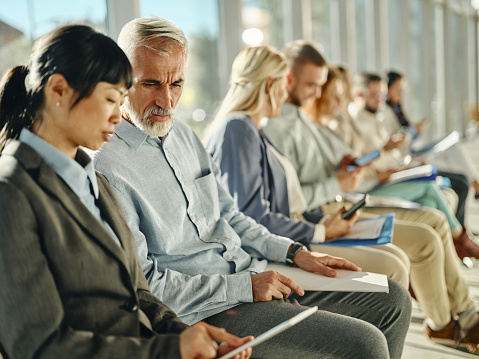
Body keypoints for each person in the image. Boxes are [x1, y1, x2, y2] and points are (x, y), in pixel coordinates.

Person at [93, 17, 412, 359]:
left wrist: (293, 251)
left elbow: (232, 215)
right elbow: (147, 285)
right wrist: (244, 286)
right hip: (207, 310)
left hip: (253, 273)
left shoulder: (184, 136)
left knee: (392, 299)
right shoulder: (107, 168)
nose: (167, 102)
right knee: (364, 345)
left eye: (177, 84)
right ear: (122, 79)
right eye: (151, 83)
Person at [0, 24, 253, 359]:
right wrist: (170, 349)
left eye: (121, 100)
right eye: (109, 100)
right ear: (58, 90)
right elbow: (39, 346)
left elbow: (138, 291)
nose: (117, 116)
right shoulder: (11, 193)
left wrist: (192, 338)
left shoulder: (93, 180)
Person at [263, 51, 479, 354]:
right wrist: (339, 180)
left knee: (434, 221)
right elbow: (294, 201)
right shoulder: (281, 128)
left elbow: (320, 179)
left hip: (340, 202)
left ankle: (463, 314)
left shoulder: (303, 124)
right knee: (423, 238)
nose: (337, 101)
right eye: (326, 91)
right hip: (328, 211)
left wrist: (345, 170)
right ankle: (445, 322)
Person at [205, 45, 410, 287]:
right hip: (271, 252)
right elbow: (254, 217)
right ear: (271, 86)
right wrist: (320, 232)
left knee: (396, 259)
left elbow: (282, 204)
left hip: (288, 237)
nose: (285, 94)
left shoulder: (253, 130)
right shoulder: (239, 129)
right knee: (393, 268)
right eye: (284, 84)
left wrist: (323, 224)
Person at [354, 72, 479, 260]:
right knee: (431, 189)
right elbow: (360, 164)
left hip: (393, 172)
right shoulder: (357, 123)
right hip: (374, 186)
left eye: (382, 95)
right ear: (360, 94)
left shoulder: (377, 117)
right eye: (375, 95)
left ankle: (452, 256)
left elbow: (388, 155)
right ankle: (462, 241)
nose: (380, 100)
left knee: (431, 206)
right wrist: (387, 152)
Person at [383, 71, 479, 230]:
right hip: (408, 161)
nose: (402, 93)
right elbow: (392, 148)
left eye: (403, 89)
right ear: (388, 89)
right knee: (460, 182)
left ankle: (474, 185)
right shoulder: (385, 114)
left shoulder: (397, 110)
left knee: (454, 149)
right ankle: (460, 232)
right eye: (398, 89)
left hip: (411, 156)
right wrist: (413, 132)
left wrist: (414, 132)